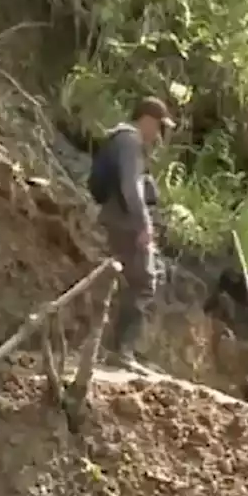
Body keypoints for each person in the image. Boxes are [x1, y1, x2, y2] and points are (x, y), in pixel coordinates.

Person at [87, 96, 175, 373]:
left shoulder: (120, 138)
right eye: (159, 127)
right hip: (125, 221)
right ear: (147, 119)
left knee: (125, 281)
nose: (159, 135)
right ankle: (121, 352)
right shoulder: (131, 142)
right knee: (143, 282)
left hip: (116, 218)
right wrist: (144, 224)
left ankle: (112, 348)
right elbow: (130, 188)